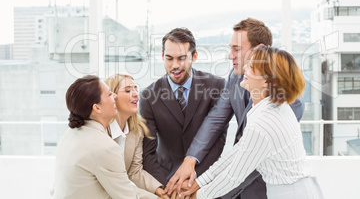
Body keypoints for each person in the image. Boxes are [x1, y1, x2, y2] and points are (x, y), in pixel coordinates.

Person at [166, 18, 305, 198]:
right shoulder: (236, 76)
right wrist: (190, 160)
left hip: (264, 188)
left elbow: (245, 163)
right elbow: (216, 119)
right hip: (234, 179)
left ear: (259, 50)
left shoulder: (285, 104)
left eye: (237, 49)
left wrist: (201, 193)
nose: (230, 55)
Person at [181, 46, 324, 199]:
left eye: (252, 67)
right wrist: (200, 182)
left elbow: (233, 176)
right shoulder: (271, 107)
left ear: (267, 82)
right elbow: (239, 151)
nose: (245, 68)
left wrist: (198, 196)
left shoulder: (264, 123)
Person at [139, 28, 226, 186]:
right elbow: (148, 153)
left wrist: (194, 180)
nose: (175, 65)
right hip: (167, 181)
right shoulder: (148, 96)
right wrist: (166, 187)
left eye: (181, 58)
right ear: (162, 57)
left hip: (206, 180)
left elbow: (218, 140)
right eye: (169, 58)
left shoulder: (216, 85)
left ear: (194, 56)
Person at [52, 75, 161, 199]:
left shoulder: (70, 134)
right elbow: (126, 195)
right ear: (97, 108)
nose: (114, 96)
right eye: (110, 94)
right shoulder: (105, 146)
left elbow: (128, 177)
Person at [105, 74, 168, 199]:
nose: (136, 94)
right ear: (113, 97)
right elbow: (114, 182)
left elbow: (135, 171)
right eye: (128, 90)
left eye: (135, 89)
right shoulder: (101, 131)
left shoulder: (137, 130)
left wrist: (159, 189)